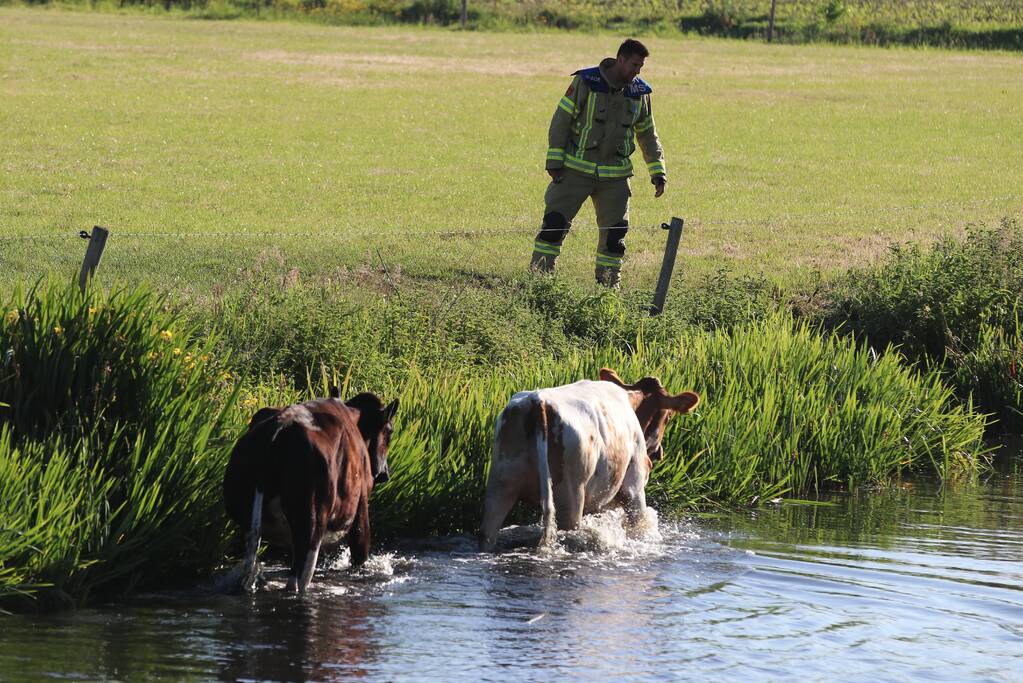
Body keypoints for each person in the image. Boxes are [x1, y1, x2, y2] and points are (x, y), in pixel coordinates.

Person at [530, 38, 666, 288]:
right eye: (634, 65)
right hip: (574, 172)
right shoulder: (585, 82)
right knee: (553, 227)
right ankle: (539, 285)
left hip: (615, 178)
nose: (637, 72)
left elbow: (647, 133)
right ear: (620, 60)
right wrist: (554, 160)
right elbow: (561, 120)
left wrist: (658, 171)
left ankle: (607, 293)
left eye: (641, 67)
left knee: (615, 239)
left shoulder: (640, 92)